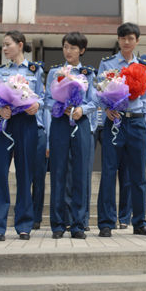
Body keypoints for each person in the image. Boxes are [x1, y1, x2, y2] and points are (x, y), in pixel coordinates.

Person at [0, 30, 44, 241]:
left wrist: (37, 105)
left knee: (25, 174)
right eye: (3, 45)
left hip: (27, 124)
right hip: (4, 123)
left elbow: (44, 97)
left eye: (7, 44)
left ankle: (24, 225)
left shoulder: (35, 70)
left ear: (20, 45)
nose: (4, 49)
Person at [96, 22, 146, 238]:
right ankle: (106, 222)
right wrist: (105, 109)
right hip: (115, 122)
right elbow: (98, 91)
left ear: (137, 41)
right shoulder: (108, 64)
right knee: (109, 172)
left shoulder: (144, 65)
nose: (127, 42)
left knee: (138, 176)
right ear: (118, 40)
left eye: (131, 38)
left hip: (137, 122)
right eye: (123, 38)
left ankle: (139, 222)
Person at [45, 32, 96, 239]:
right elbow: (47, 99)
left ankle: (77, 224)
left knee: (80, 173)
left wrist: (81, 110)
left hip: (81, 123)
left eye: (73, 48)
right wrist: (60, 106)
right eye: (66, 46)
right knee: (58, 171)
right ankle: (57, 224)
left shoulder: (88, 73)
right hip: (60, 122)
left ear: (81, 50)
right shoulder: (54, 72)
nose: (69, 51)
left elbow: (95, 101)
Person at [32, 96, 51, 230]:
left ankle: (36, 217)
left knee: (39, 178)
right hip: (23, 132)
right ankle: (23, 213)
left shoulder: (41, 96)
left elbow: (47, 118)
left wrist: (48, 143)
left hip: (40, 133)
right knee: (24, 178)